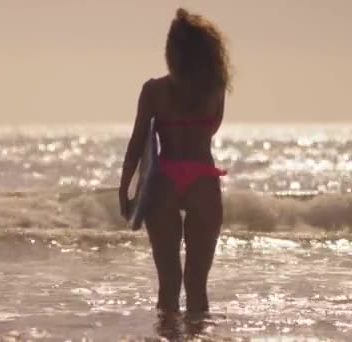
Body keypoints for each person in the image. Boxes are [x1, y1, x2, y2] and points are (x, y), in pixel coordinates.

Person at [119, 8, 231, 318]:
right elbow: (211, 128)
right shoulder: (216, 89)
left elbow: (137, 142)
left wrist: (124, 189)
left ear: (172, 50)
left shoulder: (153, 90)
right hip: (203, 179)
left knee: (168, 285)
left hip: (164, 179)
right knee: (197, 287)